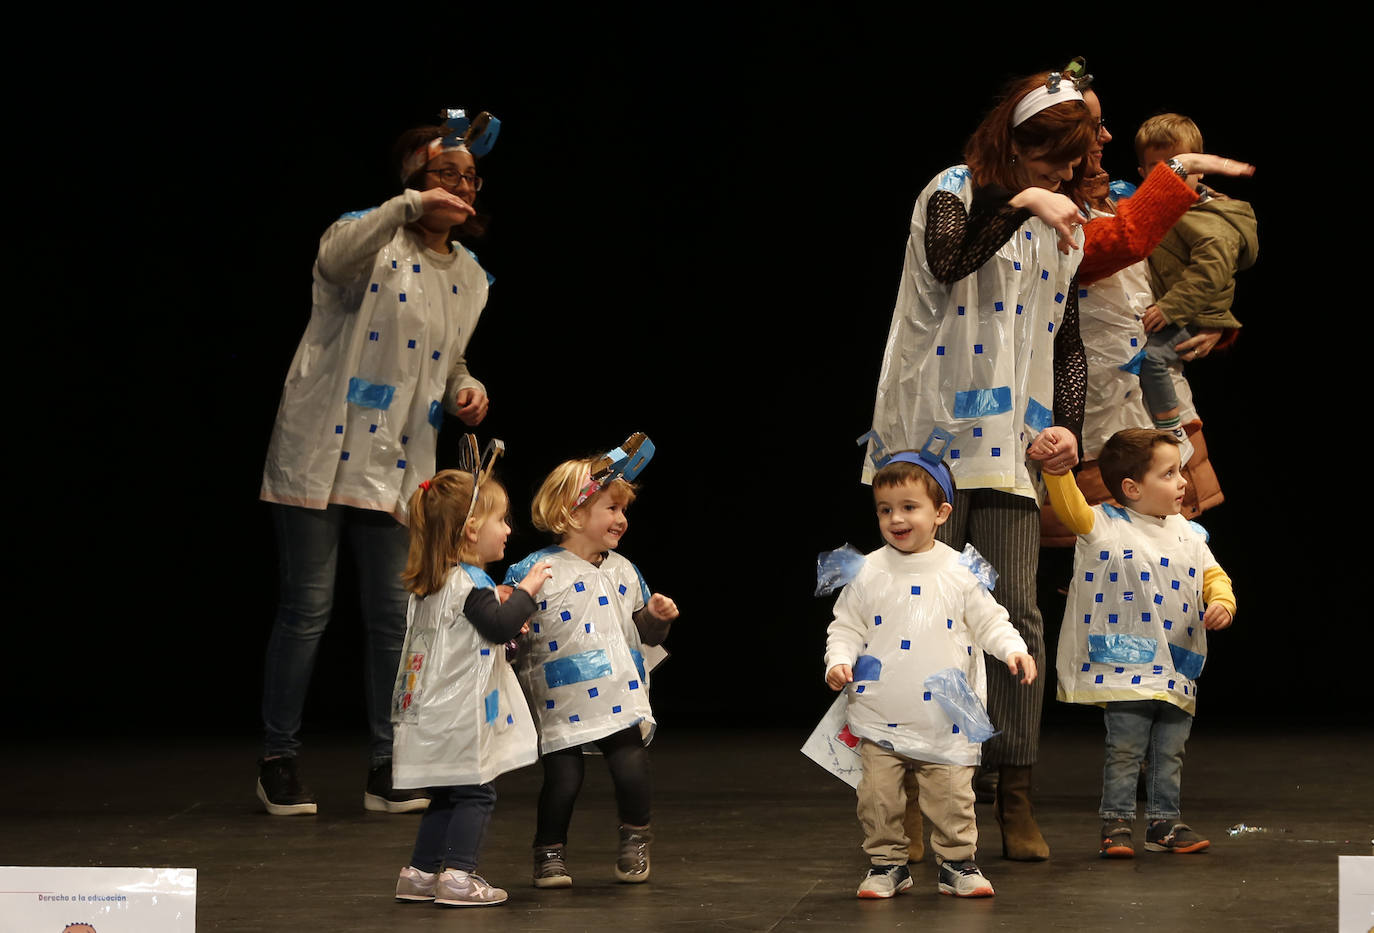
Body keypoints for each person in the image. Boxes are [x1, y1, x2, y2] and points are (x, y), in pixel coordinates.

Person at [866, 65, 1096, 860]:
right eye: (1050, 157)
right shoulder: (954, 188)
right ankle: (925, 789)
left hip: (1011, 444)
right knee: (920, 610)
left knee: (1017, 612)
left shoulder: (1065, 216)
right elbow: (950, 257)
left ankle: (1013, 789)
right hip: (929, 437)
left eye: (1071, 161)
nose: (1062, 173)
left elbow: (1067, 336)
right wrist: (1023, 199)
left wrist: (1069, 425)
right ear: (1016, 138)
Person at [256, 110, 499, 816]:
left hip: (398, 465)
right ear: (413, 182)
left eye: (469, 175)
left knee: (395, 618)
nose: (460, 184)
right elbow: (330, 262)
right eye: (445, 172)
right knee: (308, 609)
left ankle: (391, 762)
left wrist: (466, 389)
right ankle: (279, 756)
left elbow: (451, 357)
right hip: (320, 452)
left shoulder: (473, 276)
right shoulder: (367, 239)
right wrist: (405, 207)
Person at [1043, 82, 1255, 544]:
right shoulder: (1046, 211)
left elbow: (1192, 260)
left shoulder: (1121, 194)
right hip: (1095, 407)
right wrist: (1180, 169)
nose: (1106, 137)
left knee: (1180, 547)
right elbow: (1111, 247)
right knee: (1104, 552)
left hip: (1157, 392)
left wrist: (1211, 322)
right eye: (1093, 127)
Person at [825, 452, 1037, 899]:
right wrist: (837, 660)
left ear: (941, 513)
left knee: (951, 795)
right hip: (881, 707)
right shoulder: (865, 571)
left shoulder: (962, 570)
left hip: (945, 712)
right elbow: (845, 626)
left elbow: (991, 620)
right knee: (879, 797)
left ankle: (958, 863)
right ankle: (887, 864)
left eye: (909, 507)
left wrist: (1014, 649)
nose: (896, 519)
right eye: (885, 509)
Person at [1033, 426, 1234, 857]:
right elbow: (1069, 506)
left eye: (1180, 472)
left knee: (1170, 751)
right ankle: (1117, 824)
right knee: (1124, 748)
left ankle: (1164, 822)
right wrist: (1057, 468)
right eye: (1169, 473)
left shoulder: (1189, 534)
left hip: (1175, 663)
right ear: (1132, 487)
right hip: (1126, 662)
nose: (1183, 482)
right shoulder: (1105, 525)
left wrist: (1222, 601)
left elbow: (1214, 576)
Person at [504, 437, 679, 888]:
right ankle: (549, 852)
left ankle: (636, 837)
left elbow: (645, 635)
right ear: (574, 513)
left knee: (632, 766)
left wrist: (657, 619)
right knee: (563, 779)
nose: (622, 519)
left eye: (624, 511)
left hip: (620, 692)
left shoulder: (624, 570)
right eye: (611, 509)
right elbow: (508, 625)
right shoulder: (535, 569)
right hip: (561, 697)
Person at [390, 453, 554, 907]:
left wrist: (501, 605)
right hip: (459, 715)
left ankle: (420, 873)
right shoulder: (469, 584)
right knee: (477, 793)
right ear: (470, 530)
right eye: (500, 520)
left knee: (446, 792)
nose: (507, 530)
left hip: (428, 715)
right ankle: (460, 875)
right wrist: (526, 592)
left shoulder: (433, 584)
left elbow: (480, 633)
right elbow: (499, 627)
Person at [1135, 114, 1258, 452]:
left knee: (1154, 359)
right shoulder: (1151, 208)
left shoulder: (1206, 219)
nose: (1167, 177)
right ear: (1143, 173)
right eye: (1156, 168)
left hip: (1192, 314)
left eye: (1177, 166)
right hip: (1180, 311)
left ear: (1199, 168)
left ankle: (1170, 432)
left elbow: (1211, 273)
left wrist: (1170, 307)